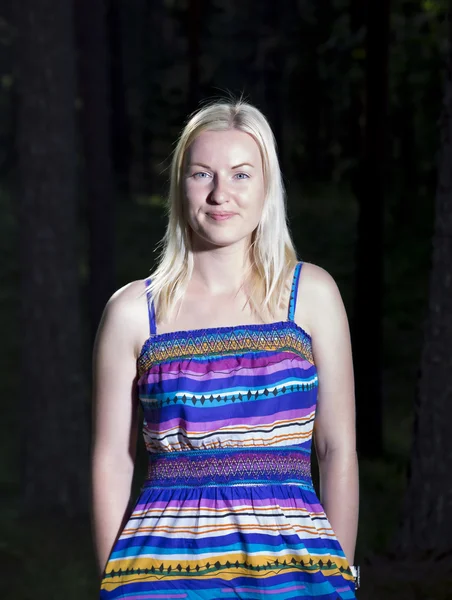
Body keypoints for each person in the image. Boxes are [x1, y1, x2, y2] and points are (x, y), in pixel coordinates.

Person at [92, 98, 359, 599]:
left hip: (295, 570)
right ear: (180, 186)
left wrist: (339, 572)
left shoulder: (312, 296)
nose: (220, 194)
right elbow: (112, 459)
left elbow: (337, 449)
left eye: (240, 175)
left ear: (266, 188)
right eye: (201, 174)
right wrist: (114, 581)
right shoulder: (134, 311)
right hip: (159, 573)